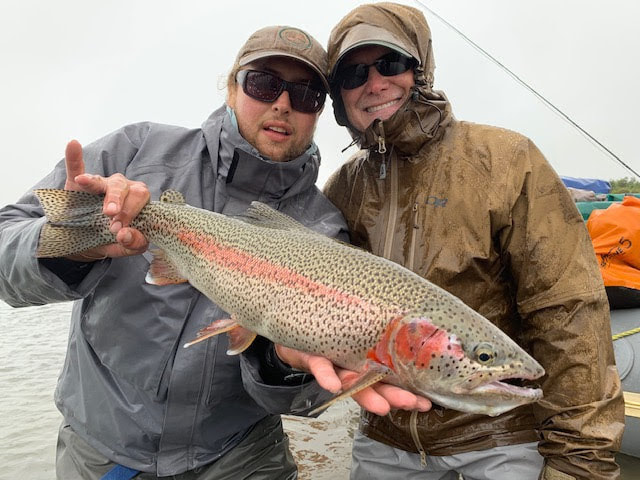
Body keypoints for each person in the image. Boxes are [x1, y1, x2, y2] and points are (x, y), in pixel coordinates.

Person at [0, 24, 428, 480]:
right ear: (231, 87)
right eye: (264, 84)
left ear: (319, 112)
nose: (283, 104)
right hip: (102, 450)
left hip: (242, 456)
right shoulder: (137, 151)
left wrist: (285, 363)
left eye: (306, 95)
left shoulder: (323, 227)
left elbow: (302, 397)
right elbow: (7, 254)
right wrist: (69, 242)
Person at [323, 3, 625, 480]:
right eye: (355, 72)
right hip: (385, 439)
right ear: (340, 95)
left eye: (392, 63)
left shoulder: (507, 160)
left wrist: (578, 460)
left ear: (420, 68)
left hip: (502, 439)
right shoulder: (342, 188)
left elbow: (569, 313)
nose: (375, 82)